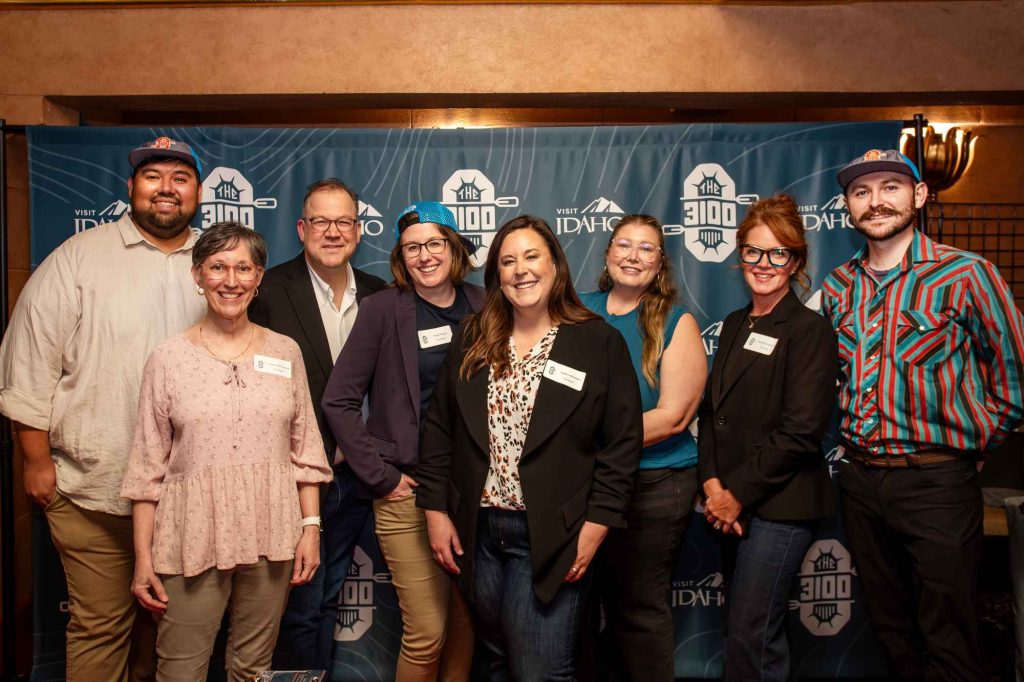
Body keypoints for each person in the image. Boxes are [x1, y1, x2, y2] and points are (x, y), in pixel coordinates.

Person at [0, 136, 207, 681]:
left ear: (198, 192)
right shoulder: (78, 257)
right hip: (96, 490)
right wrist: (35, 460)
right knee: (101, 627)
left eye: (180, 178)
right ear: (131, 186)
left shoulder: (219, 261)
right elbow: (28, 362)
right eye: (153, 177)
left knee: (174, 634)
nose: (166, 189)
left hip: (190, 495)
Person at [823, 150, 1024, 681]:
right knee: (890, 630)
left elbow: (1014, 370)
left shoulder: (967, 273)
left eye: (890, 186)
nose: (876, 201)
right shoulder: (838, 285)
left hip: (937, 482)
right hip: (861, 481)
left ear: (919, 195)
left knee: (948, 633)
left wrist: (976, 443)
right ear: (848, 206)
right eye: (861, 192)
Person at [417, 215, 643, 682]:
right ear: (496, 275)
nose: (520, 270)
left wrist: (597, 525)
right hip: (478, 530)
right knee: (497, 659)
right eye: (508, 261)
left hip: (552, 533)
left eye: (531, 256)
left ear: (555, 264)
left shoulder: (597, 341)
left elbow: (621, 446)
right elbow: (440, 428)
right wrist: (435, 511)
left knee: (538, 668)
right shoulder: (473, 337)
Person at [121, 222, 333, 682]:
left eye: (243, 268)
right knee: (181, 670)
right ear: (198, 275)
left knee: (254, 669)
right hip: (191, 535)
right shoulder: (167, 359)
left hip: (273, 532)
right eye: (218, 267)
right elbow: (146, 470)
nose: (230, 281)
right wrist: (143, 559)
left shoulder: (286, 352)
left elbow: (305, 452)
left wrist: (310, 529)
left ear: (259, 278)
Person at [321, 201, 480, 682]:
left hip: (472, 493)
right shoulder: (383, 310)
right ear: (400, 257)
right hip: (407, 492)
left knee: (465, 623)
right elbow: (338, 401)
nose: (424, 256)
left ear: (455, 248)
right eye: (412, 248)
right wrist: (382, 478)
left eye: (434, 243)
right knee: (427, 631)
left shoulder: (486, 304)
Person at [249, 178, 386, 675]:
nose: (333, 232)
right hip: (294, 480)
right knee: (298, 608)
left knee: (328, 598)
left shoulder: (380, 295)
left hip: (355, 478)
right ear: (302, 228)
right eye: (321, 221)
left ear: (359, 230)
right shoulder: (266, 291)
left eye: (343, 221)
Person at [698, 195, 838, 682]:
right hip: (729, 504)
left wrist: (736, 493)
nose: (764, 263)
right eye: (754, 251)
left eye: (778, 253)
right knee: (745, 633)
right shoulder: (736, 323)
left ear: (795, 261)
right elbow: (712, 412)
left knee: (752, 636)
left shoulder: (809, 330)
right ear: (740, 256)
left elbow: (802, 431)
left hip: (779, 505)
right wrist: (712, 484)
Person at [578, 214, 705, 682]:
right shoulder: (577, 309)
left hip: (654, 483)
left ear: (660, 262)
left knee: (637, 609)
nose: (633, 256)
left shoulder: (675, 321)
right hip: (585, 484)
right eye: (624, 245)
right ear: (608, 254)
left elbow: (674, 416)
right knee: (579, 608)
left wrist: (591, 441)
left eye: (646, 248)